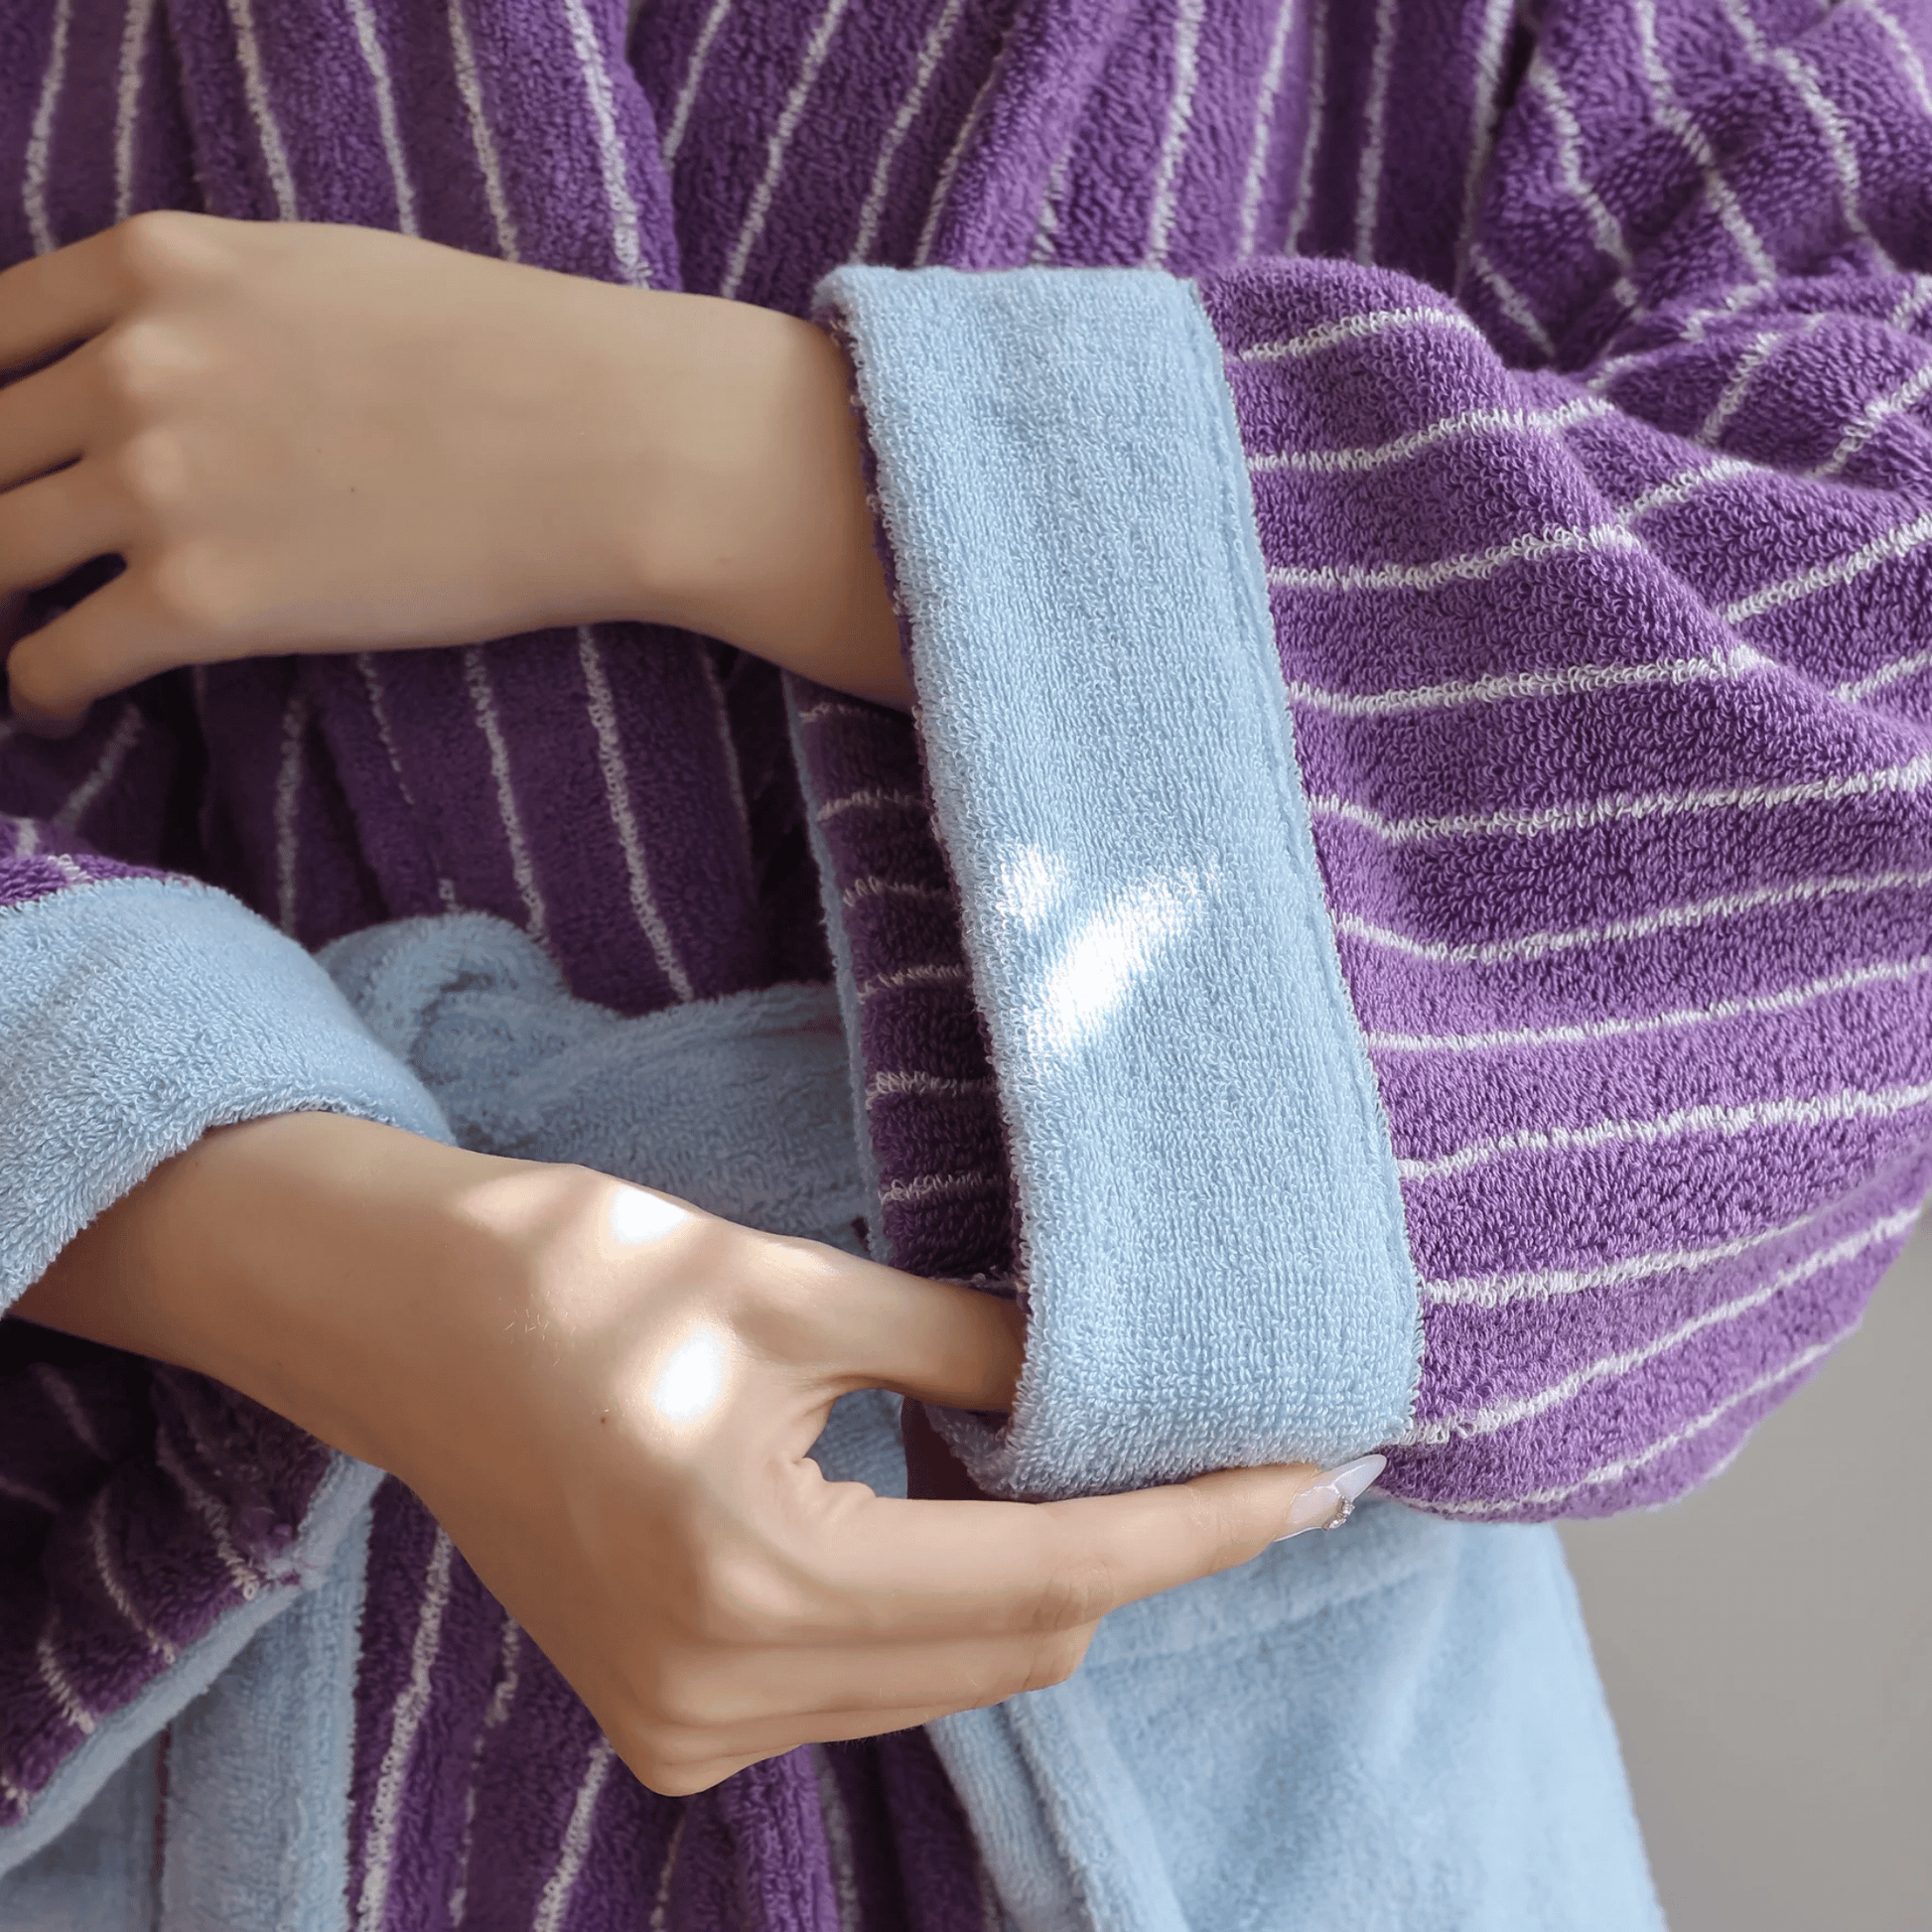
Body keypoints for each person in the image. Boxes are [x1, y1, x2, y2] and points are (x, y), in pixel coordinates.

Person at [0, 0, 1928, 1925]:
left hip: (1218, 1788)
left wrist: (749, 466)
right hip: (186, 1717)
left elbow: (1885, 628)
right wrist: (304, 1254)